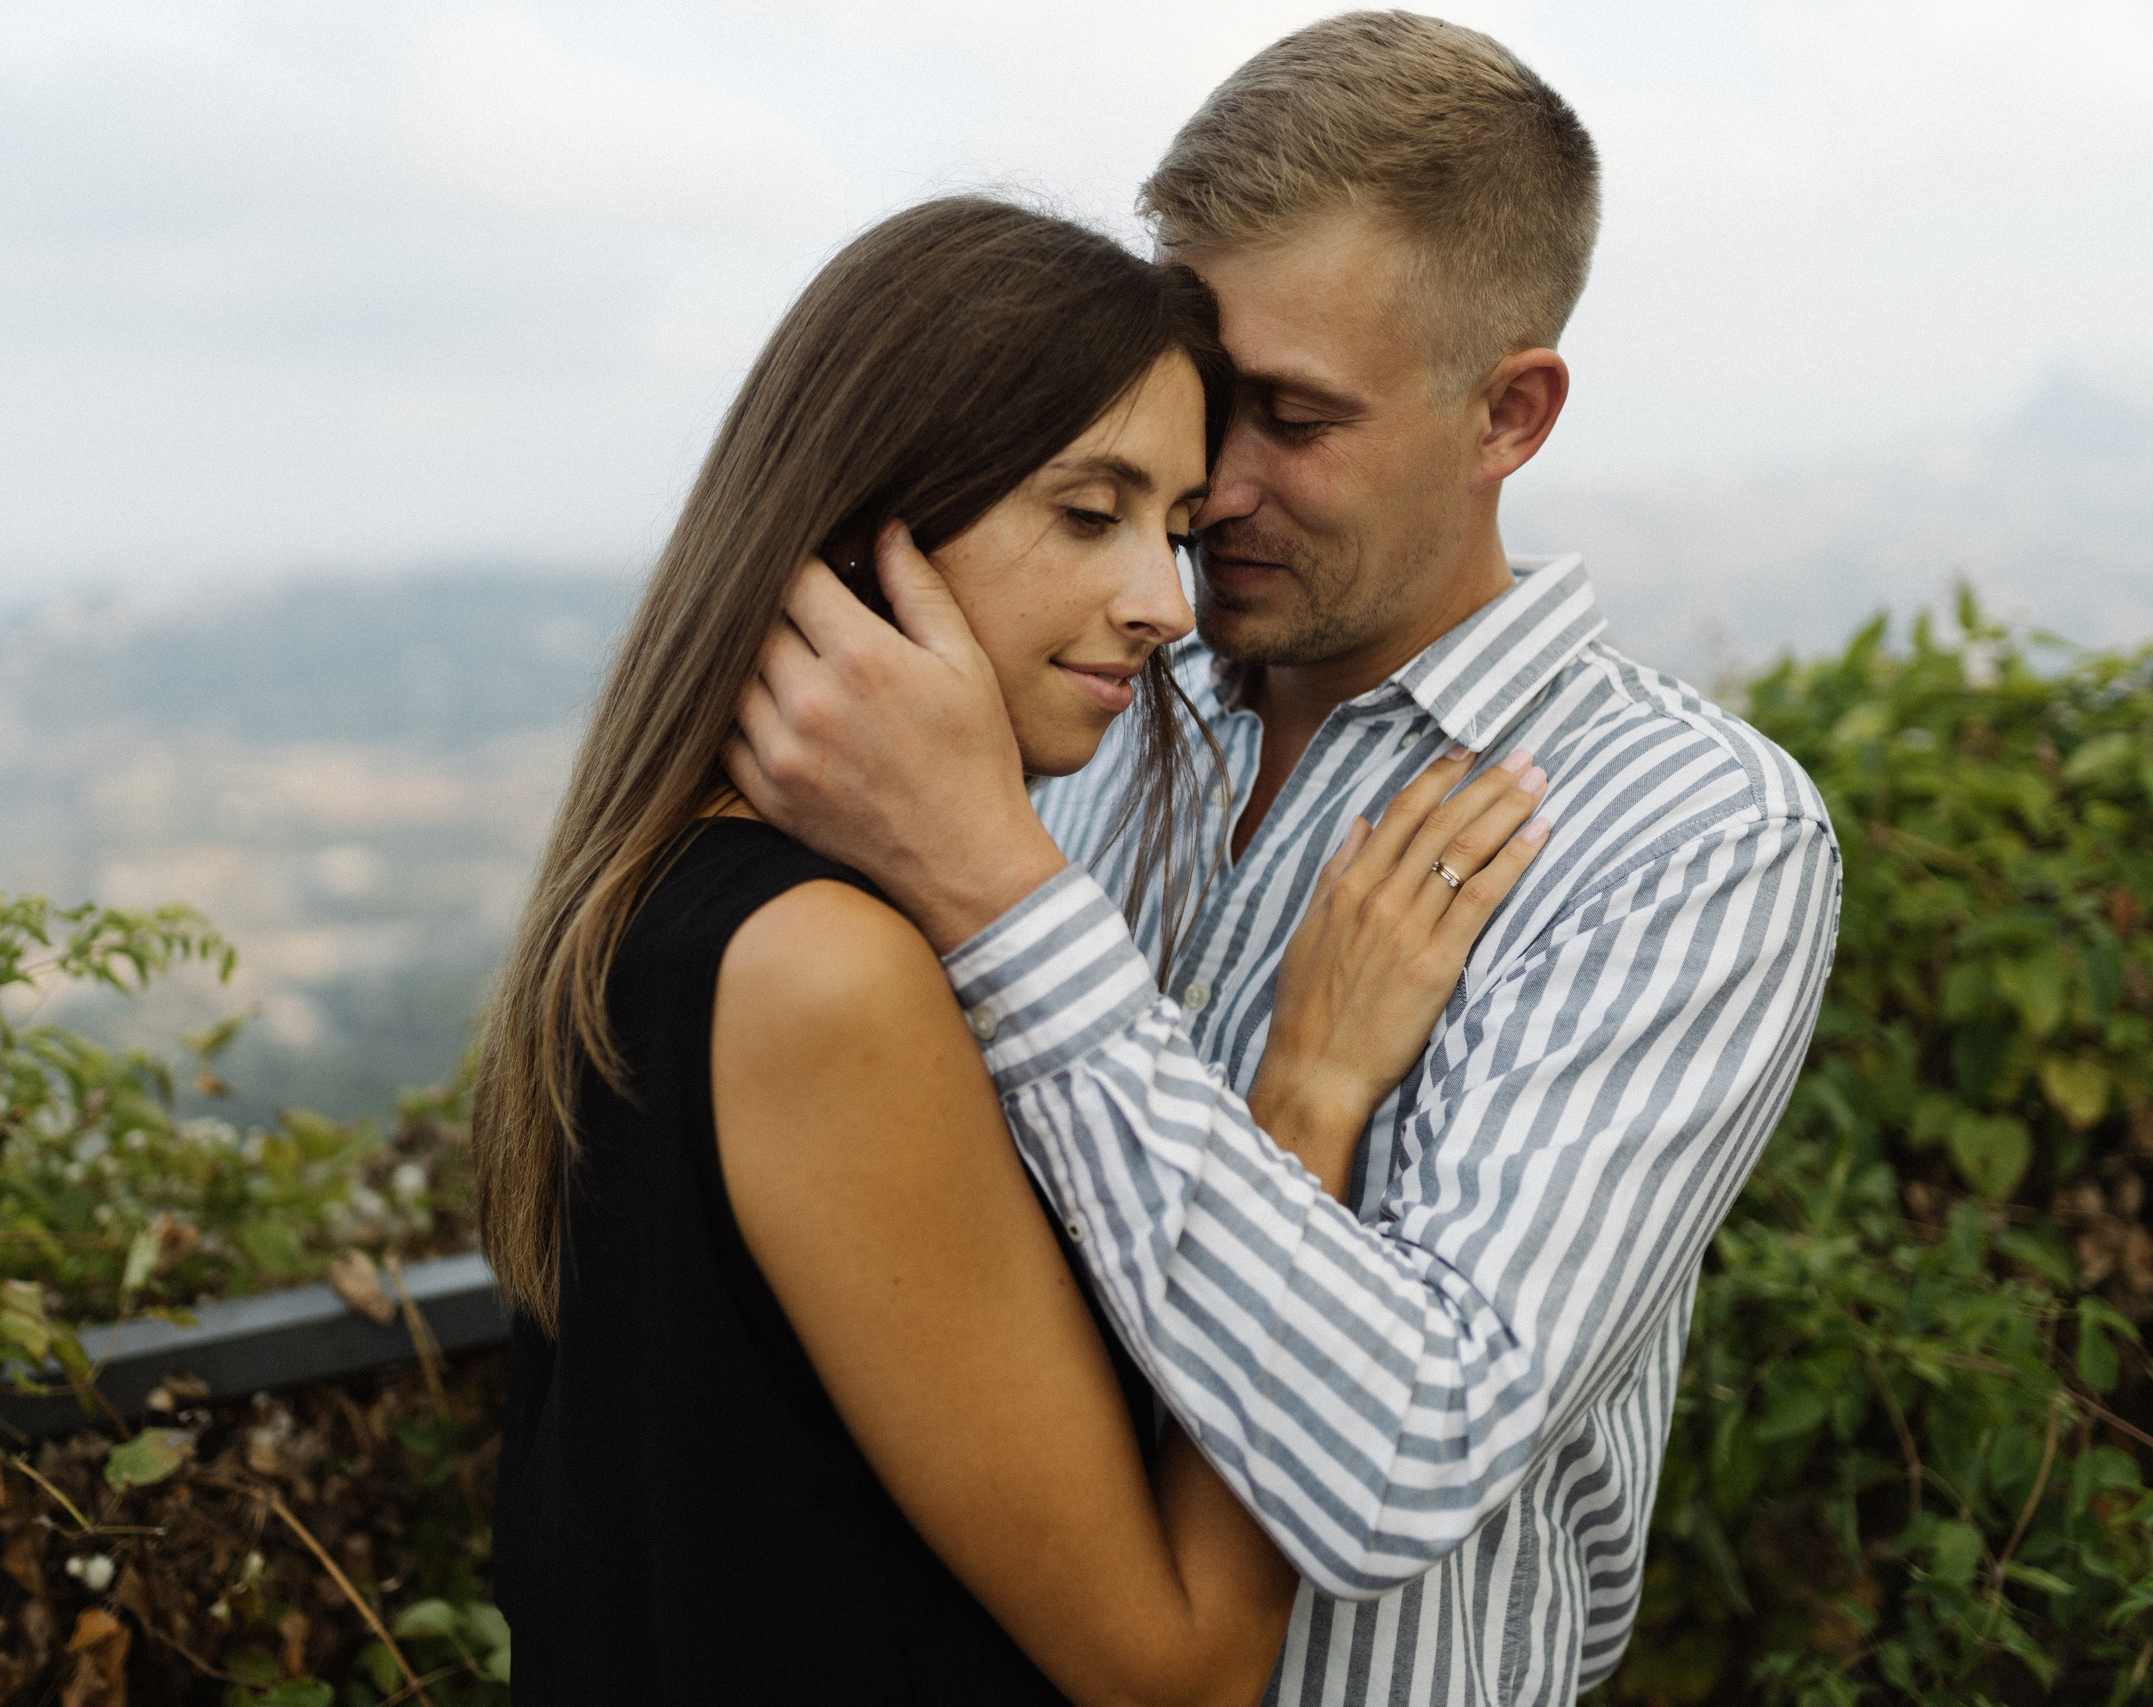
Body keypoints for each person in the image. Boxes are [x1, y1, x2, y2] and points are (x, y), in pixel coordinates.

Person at [727, 14, 1844, 1706]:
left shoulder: (1686, 837)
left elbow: (1401, 1460)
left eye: (1294, 417)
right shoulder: (1072, 697)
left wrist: (995, 892)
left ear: (1510, 413)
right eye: (1195, 397)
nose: (1211, 486)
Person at [473, 195, 1555, 1705]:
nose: (1162, 607)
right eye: (1087, 511)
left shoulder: (666, 891)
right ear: (872, 518)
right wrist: (1307, 1096)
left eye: (1174, 530)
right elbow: (1175, 1666)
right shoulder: (826, 970)